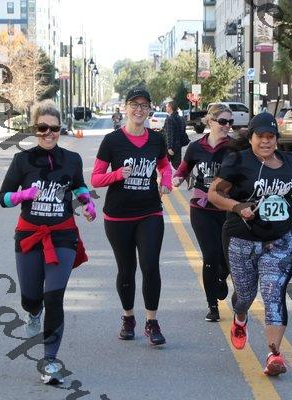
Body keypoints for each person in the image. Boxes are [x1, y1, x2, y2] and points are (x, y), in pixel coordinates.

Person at [208, 112, 292, 376]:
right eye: (261, 137)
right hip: (241, 239)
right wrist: (237, 206)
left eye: (271, 137)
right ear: (251, 138)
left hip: (280, 239)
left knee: (273, 293)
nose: (266, 141)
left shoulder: (289, 162)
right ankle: (240, 316)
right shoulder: (238, 161)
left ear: (276, 139)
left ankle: (273, 354)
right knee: (245, 295)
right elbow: (214, 193)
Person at [0, 100, 95, 385]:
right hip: (29, 236)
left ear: (60, 129)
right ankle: (33, 311)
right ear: (34, 128)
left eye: (54, 128)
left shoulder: (72, 159)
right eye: (42, 128)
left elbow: (78, 185)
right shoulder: (22, 161)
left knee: (54, 297)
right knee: (31, 297)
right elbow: (3, 198)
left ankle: (50, 360)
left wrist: (87, 202)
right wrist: (22, 195)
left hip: (63, 235)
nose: (49, 133)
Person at [91, 88, 172, 346]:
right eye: (134, 105)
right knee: (126, 269)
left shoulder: (156, 140)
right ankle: (128, 318)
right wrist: (117, 175)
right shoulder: (112, 141)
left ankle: (152, 322)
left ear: (149, 110)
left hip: (150, 212)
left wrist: (166, 181)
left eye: (144, 105)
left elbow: (164, 165)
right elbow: (95, 178)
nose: (139, 110)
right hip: (118, 216)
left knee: (150, 266)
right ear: (125, 108)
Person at [172, 104, 233, 322]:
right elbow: (184, 169)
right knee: (210, 256)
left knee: (228, 255)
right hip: (202, 209)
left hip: (227, 208)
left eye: (230, 122)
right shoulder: (196, 147)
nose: (227, 126)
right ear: (210, 121)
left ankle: (221, 277)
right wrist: (177, 179)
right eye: (223, 121)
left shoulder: (235, 148)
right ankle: (212, 306)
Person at [162, 101, 187, 169]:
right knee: (177, 166)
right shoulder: (181, 118)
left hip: (170, 147)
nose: (166, 108)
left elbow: (169, 134)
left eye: (167, 106)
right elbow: (182, 132)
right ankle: (187, 173)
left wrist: (169, 147)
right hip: (178, 146)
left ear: (170, 107)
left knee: (163, 166)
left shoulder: (169, 119)